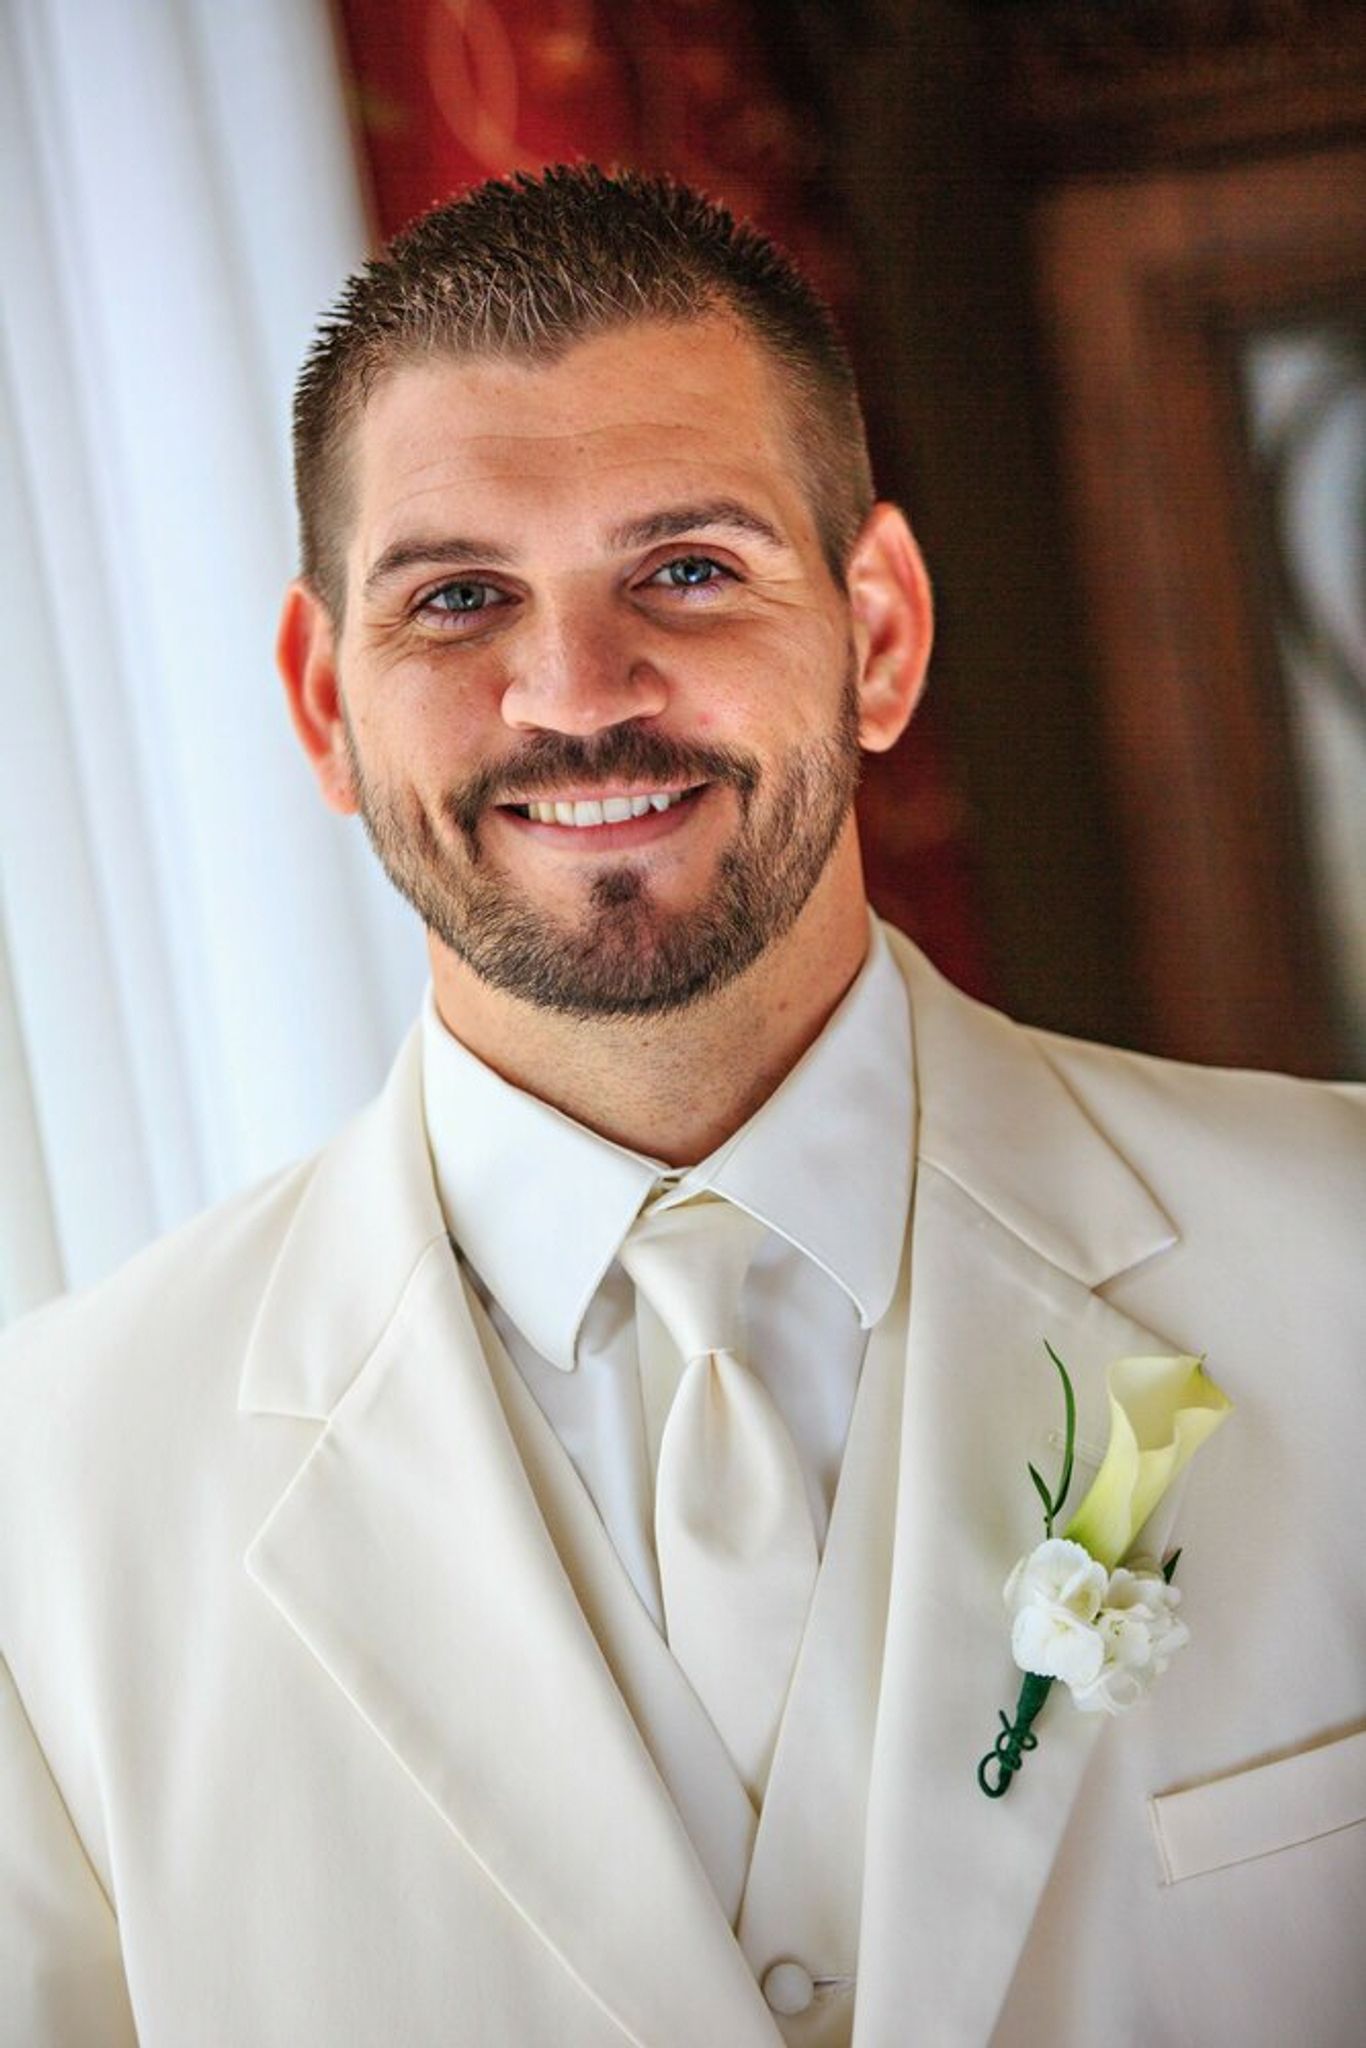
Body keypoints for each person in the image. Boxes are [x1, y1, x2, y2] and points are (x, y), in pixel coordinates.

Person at [1, 166, 1362, 2048]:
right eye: (458, 598)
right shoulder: (47, 1497)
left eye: (688, 571)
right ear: (323, 704)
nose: (575, 693)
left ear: (880, 631)